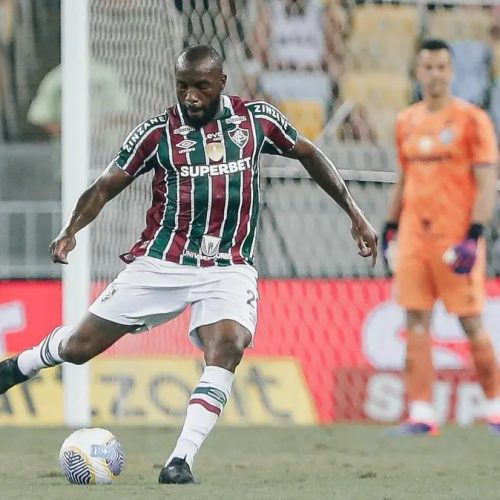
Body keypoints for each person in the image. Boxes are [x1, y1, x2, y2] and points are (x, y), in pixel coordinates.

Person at [0, 45, 378, 483]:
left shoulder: (257, 121)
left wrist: (355, 213)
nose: (191, 96)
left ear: (221, 83)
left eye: (201, 86)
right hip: (163, 262)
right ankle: (17, 367)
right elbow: (104, 186)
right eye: (183, 87)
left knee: (229, 344)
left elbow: (309, 154)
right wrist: (71, 230)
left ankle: (180, 461)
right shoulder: (157, 133)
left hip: (228, 265)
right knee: (79, 349)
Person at [382, 39, 499, 436]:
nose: (435, 74)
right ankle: (422, 415)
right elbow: (404, 178)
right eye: (428, 67)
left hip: (456, 240)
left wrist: (475, 235)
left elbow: (486, 184)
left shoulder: (472, 120)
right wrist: (390, 226)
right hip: (415, 237)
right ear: (418, 72)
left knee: (470, 322)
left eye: (442, 67)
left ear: (452, 72)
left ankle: (496, 409)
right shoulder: (406, 121)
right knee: (415, 320)